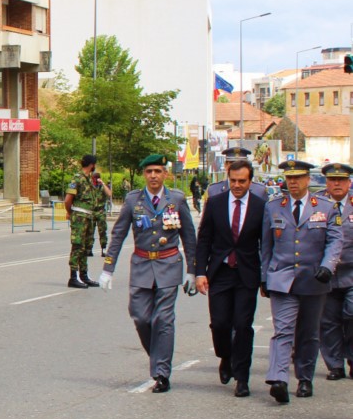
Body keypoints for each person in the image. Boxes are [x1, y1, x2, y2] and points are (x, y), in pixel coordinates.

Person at [99, 153, 197, 393]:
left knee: (163, 320)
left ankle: (161, 373)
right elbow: (119, 234)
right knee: (141, 317)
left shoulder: (177, 199)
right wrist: (108, 268)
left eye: (158, 171)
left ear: (165, 174)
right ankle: (158, 357)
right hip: (142, 266)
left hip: (168, 265)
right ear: (144, 175)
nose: (153, 176)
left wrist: (193, 270)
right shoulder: (134, 201)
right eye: (149, 172)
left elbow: (189, 236)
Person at [260, 160, 342, 403]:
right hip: (282, 279)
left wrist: (328, 267)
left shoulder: (326, 207)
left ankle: (305, 378)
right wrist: (264, 277)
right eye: (289, 178)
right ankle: (278, 379)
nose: (293, 182)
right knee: (283, 330)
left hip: (313, 279)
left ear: (308, 180)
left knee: (308, 333)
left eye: (298, 178)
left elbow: (335, 241)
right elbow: (266, 245)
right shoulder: (274, 206)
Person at [194, 159, 265, 397]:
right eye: (233, 180)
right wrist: (200, 272)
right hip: (220, 273)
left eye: (242, 181)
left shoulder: (260, 206)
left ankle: (242, 378)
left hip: (246, 274)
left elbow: (265, 244)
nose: (236, 185)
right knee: (221, 324)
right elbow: (204, 239)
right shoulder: (215, 204)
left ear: (250, 181)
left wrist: (265, 277)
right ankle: (225, 356)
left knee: (243, 326)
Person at [318, 163, 353, 381]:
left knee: (351, 313)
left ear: (349, 182)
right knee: (328, 321)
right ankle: (334, 364)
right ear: (326, 183)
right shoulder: (318, 204)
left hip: (352, 272)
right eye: (332, 180)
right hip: (326, 274)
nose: (337, 184)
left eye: (341, 180)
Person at [64, 154, 110, 289]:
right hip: (79, 216)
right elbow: (68, 199)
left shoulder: (89, 179)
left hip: (89, 216)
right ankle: (73, 276)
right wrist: (70, 212)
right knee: (77, 246)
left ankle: (84, 275)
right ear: (92, 165)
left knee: (85, 247)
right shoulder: (77, 178)